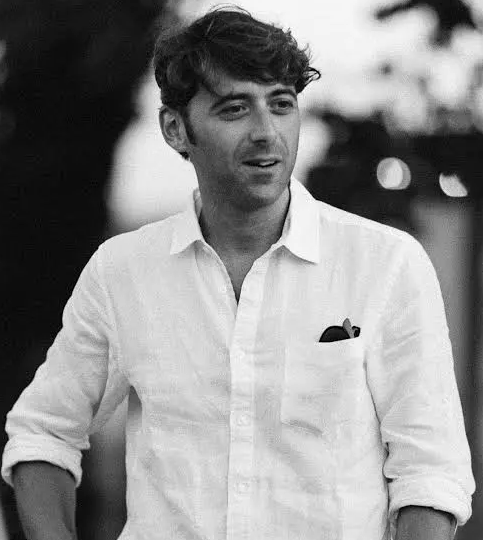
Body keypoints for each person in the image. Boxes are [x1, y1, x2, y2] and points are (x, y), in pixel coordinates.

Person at [1, 6, 475, 540]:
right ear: (176, 129)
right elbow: (43, 434)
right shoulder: (123, 272)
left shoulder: (386, 263)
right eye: (235, 109)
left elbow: (430, 472)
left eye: (281, 104)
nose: (266, 132)